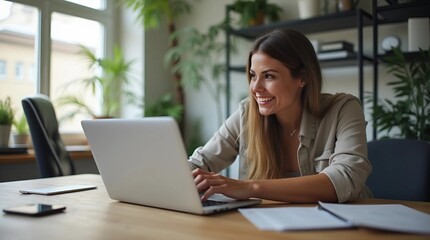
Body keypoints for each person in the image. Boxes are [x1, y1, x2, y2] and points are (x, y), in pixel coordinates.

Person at [188, 29, 372, 203]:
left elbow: (346, 179)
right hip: (268, 227)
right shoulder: (247, 113)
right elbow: (200, 163)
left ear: (302, 77)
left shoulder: (344, 109)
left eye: (268, 76)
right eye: (253, 75)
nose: (255, 88)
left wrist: (251, 187)